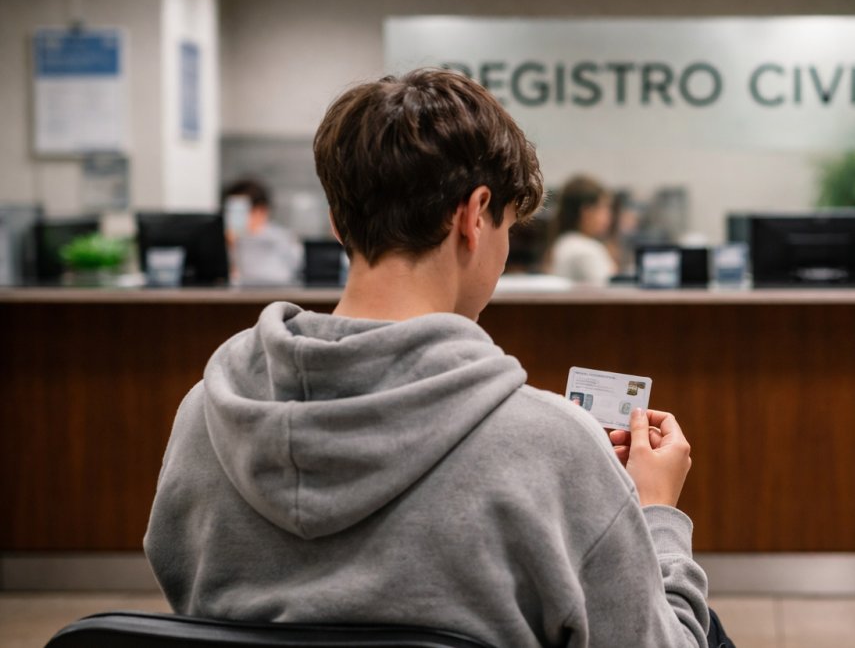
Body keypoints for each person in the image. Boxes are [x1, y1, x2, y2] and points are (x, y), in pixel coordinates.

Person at [144, 69, 727, 648]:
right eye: (506, 224)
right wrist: (655, 516)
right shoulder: (555, 448)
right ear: (475, 216)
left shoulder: (205, 419)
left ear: (337, 221)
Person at [221, 178, 302, 286]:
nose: (235, 217)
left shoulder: (282, 237)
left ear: (261, 210)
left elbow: (295, 270)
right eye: (231, 211)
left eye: (241, 210)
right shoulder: (224, 240)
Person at [549, 175, 618, 285]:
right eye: (604, 207)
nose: (609, 215)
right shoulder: (585, 250)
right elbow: (611, 294)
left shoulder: (566, 242)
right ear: (586, 212)